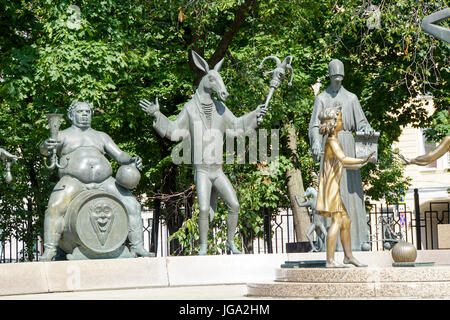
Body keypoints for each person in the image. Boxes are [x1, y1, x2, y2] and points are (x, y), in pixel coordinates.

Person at [141, 51, 267, 255]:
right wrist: (157, 114)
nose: (219, 86)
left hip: (217, 170)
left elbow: (236, 125)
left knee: (234, 204)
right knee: (205, 209)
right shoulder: (190, 108)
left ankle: (230, 243)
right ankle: (203, 247)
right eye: (214, 80)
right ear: (206, 79)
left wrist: (255, 114)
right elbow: (174, 131)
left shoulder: (220, 108)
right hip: (202, 170)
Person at [39, 101, 152, 261]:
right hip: (73, 180)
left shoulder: (101, 136)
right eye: (80, 112)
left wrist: (132, 159)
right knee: (55, 207)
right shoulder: (63, 135)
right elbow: (45, 150)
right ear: (71, 115)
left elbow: (119, 155)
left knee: (132, 205)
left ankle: (138, 246)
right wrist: (45, 146)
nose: (85, 115)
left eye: (87, 112)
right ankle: (50, 250)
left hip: (105, 181)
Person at [309, 59, 375, 251]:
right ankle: (334, 245)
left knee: (352, 193)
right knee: (333, 193)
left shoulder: (352, 98)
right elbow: (314, 125)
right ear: (330, 76)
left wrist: (367, 129)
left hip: (348, 143)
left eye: (340, 78)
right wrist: (314, 142)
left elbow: (362, 122)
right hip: (330, 146)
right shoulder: (321, 98)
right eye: (334, 77)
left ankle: (359, 240)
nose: (337, 81)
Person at [316, 105, 373, 268]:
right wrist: (362, 160)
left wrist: (360, 163)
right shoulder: (332, 141)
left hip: (333, 187)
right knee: (336, 222)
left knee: (346, 221)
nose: (342, 122)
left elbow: (345, 164)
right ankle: (330, 260)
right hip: (331, 188)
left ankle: (348, 257)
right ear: (333, 123)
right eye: (340, 119)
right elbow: (343, 159)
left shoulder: (335, 140)